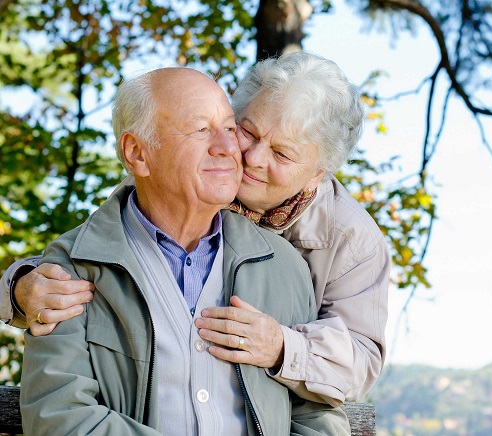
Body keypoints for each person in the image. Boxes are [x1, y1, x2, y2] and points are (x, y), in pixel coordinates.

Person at [2, 52, 390, 406]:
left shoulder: (350, 240)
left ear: (318, 173)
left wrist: (280, 346)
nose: (252, 159)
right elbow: (97, 260)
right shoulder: (180, 177)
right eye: (248, 132)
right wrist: (20, 289)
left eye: (282, 154)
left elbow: (360, 365)